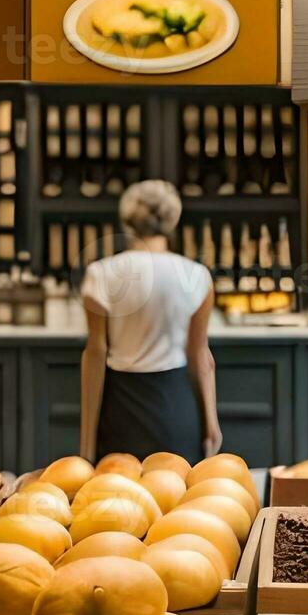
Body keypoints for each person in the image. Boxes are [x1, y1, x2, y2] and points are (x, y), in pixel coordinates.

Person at [79, 180, 221, 462]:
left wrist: (86, 442)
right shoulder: (197, 275)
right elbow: (200, 354)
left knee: (115, 499)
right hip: (176, 406)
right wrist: (211, 421)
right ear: (173, 219)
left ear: (127, 220)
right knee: (180, 497)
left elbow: (95, 354)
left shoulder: (100, 274)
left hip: (120, 405)